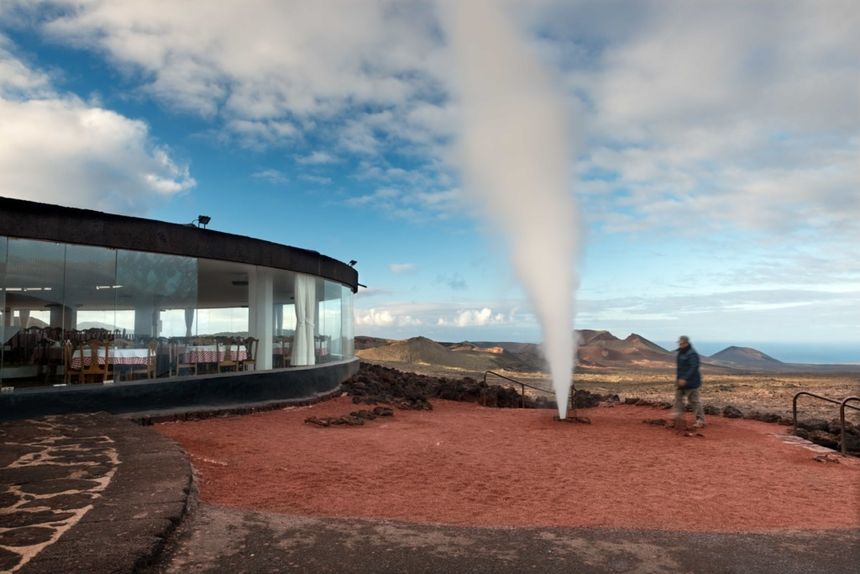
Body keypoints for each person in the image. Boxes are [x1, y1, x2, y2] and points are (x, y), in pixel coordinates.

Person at [671, 335, 705, 428]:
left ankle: (700, 420)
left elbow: (693, 367)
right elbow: (680, 368)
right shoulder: (681, 352)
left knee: (694, 401)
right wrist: (679, 380)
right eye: (679, 343)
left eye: (681, 343)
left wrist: (685, 378)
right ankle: (677, 418)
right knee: (678, 399)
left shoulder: (692, 353)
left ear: (686, 343)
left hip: (691, 382)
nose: (679, 345)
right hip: (681, 381)